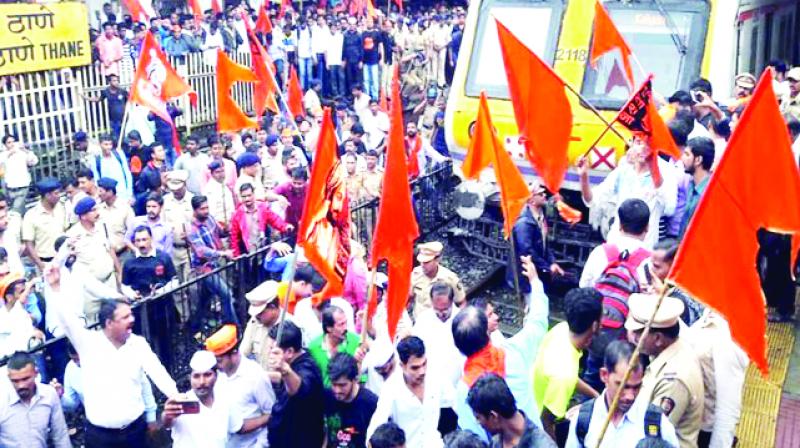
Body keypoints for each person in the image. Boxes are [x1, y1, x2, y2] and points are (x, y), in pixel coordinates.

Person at [44, 266, 179, 447]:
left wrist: (176, 396)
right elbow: (67, 321)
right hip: (101, 438)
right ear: (109, 323)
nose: (132, 319)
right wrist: (54, 288)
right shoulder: (88, 344)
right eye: (125, 317)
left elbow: (158, 372)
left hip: (136, 432)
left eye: (131, 315)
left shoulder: (138, 344)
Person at [451, 256, 550, 445]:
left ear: (458, 347)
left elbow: (474, 438)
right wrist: (535, 282)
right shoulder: (513, 352)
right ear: (487, 331)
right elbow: (538, 322)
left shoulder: (465, 389)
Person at [564, 341, 679, 448]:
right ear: (604, 375)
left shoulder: (657, 422)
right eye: (623, 386)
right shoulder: (583, 420)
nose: (630, 396)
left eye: (636, 387)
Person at [626, 294, 705, 448]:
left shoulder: (674, 380)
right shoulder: (669, 350)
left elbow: (652, 435)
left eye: (638, 333)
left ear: (658, 339)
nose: (633, 337)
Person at [578, 135, 678, 250]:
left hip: (644, 248)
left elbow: (669, 209)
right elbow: (592, 200)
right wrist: (584, 176)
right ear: (632, 144)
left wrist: (653, 169)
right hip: (616, 244)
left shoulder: (666, 171)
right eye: (639, 142)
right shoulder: (624, 169)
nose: (643, 148)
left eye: (649, 144)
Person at [532, 287, 603, 439]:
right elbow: (546, 421)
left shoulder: (562, 330)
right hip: (541, 422)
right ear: (595, 326)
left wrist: (596, 396)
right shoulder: (564, 375)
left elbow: (570, 377)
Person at [367, 335, 450, 448]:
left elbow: (452, 406)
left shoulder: (436, 377)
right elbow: (375, 430)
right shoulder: (391, 388)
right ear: (402, 366)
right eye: (415, 368)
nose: (422, 371)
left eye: (424, 364)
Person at [205, 325, 276, 447]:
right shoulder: (217, 376)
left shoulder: (255, 376)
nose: (217, 365)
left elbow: (271, 415)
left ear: (233, 354)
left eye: (220, 361)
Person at [686, 311, 748, 448]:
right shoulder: (710, 313)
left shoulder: (730, 339)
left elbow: (727, 409)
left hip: (704, 431)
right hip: (692, 421)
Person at [161, 350, 244, 447]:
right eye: (196, 376)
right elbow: (167, 422)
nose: (202, 382)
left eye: (207, 375)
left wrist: (265, 419)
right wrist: (167, 414)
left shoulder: (225, 399)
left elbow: (238, 427)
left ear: (216, 375)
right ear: (190, 378)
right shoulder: (183, 402)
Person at [266, 320, 326, 448]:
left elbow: (300, 389)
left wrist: (284, 369)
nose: (269, 353)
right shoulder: (297, 361)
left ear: (289, 352)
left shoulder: (307, 368)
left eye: (273, 350)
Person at [187, 195, 238, 330]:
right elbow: (201, 251)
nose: (206, 211)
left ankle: (194, 327)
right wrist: (222, 253)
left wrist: (226, 229)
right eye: (202, 209)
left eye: (207, 207)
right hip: (204, 268)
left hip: (215, 264)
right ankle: (233, 327)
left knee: (205, 299)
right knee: (226, 294)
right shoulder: (191, 229)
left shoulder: (209, 218)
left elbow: (219, 233)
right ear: (195, 210)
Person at [0, 352, 71, 448]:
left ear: (36, 373)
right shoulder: (2, 402)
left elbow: (60, 435)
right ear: (9, 378)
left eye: (25, 379)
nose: (21, 385)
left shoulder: (49, 395)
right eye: (15, 381)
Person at [467, 373, 556, 448]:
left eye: (478, 418)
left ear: (493, 416)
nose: (478, 423)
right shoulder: (498, 440)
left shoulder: (542, 445)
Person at [66, 197, 121, 316]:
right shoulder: (72, 236)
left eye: (96, 209)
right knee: (94, 320)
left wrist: (119, 272)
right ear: (83, 216)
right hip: (89, 290)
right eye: (93, 210)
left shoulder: (103, 227)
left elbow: (110, 250)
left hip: (109, 281)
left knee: (115, 315)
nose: (97, 213)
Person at [579, 198, 651, 288]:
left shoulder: (599, 252)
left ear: (620, 225)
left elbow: (584, 286)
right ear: (647, 227)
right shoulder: (650, 262)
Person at [508, 183, 564, 293]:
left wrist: (552, 262)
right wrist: (547, 266)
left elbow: (545, 244)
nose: (544, 195)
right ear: (532, 201)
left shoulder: (541, 217)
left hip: (536, 271)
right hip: (525, 275)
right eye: (540, 194)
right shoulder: (524, 223)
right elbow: (526, 250)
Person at [413, 282, 464, 389]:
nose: (441, 313)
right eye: (437, 310)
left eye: (445, 310)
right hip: (431, 383)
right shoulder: (423, 320)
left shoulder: (463, 320)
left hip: (458, 382)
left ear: (451, 302)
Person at [324, 352, 380, 448]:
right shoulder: (328, 397)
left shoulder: (371, 403)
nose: (337, 390)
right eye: (334, 384)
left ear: (354, 380)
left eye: (342, 385)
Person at [240, 280, 294, 370]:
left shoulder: (291, 326)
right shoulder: (255, 321)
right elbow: (243, 352)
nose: (257, 316)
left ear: (273, 307)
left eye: (260, 313)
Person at [308, 304, 364, 387]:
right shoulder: (313, 347)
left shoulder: (356, 342)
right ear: (329, 328)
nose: (345, 328)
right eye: (341, 324)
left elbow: (361, 379)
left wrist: (357, 363)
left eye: (345, 323)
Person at [230, 183, 292, 257]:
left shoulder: (262, 207)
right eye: (244, 196)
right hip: (247, 252)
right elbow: (234, 237)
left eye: (249, 195)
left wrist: (285, 227)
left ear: (253, 194)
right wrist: (236, 255)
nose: (247, 199)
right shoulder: (237, 214)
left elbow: (274, 219)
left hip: (262, 248)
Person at [22, 177, 69, 270]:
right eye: (56, 193)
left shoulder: (62, 207)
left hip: (65, 258)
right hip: (46, 262)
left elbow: (66, 230)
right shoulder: (31, 215)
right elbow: (29, 244)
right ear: (47, 195)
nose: (59, 195)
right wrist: (41, 265)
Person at [410, 241, 466, 318]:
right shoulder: (415, 274)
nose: (422, 265)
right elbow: (409, 297)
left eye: (427, 262)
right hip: (420, 323)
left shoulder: (450, 278)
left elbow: (461, 302)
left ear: (437, 260)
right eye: (421, 262)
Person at [163, 169, 197, 286]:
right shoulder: (165, 201)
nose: (175, 192)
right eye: (173, 190)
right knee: (175, 286)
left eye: (178, 189)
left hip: (190, 249)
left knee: (192, 285)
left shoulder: (193, 200)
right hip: (172, 249)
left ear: (185, 185)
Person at [678, 137, 715, 237]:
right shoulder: (691, 184)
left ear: (698, 160)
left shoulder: (710, 193)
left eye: (687, 154)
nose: (682, 158)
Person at [0, 134, 39, 214]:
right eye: (9, 142)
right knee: (21, 210)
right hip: (10, 188)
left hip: (23, 185)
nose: (12, 144)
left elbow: (34, 162)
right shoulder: (3, 155)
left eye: (13, 141)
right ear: (5, 145)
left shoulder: (22, 153)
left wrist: (26, 150)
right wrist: (9, 153)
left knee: (15, 210)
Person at [90, 134, 134, 204]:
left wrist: (130, 194)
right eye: (106, 144)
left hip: (123, 194)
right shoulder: (95, 160)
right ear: (100, 144)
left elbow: (127, 174)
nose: (109, 147)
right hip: (108, 196)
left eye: (110, 144)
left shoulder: (119, 154)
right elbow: (97, 180)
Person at [97, 177, 135, 257]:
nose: (98, 193)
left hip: (123, 253)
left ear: (110, 192)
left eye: (101, 191)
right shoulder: (98, 209)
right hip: (105, 255)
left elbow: (132, 232)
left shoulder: (125, 208)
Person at [83, 74, 128, 141]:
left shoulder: (122, 91)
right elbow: (98, 99)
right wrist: (86, 98)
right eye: (114, 81)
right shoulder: (106, 92)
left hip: (124, 118)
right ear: (109, 82)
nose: (116, 82)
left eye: (117, 80)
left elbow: (130, 99)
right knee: (116, 136)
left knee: (125, 135)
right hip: (113, 119)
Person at [202, 160, 236, 231]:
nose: (221, 174)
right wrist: (221, 227)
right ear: (212, 174)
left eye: (222, 171)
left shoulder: (224, 185)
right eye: (217, 172)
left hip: (230, 224)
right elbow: (211, 214)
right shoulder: (210, 190)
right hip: (220, 228)